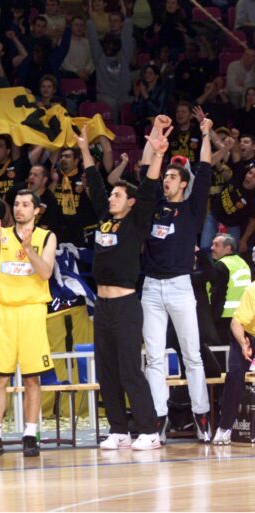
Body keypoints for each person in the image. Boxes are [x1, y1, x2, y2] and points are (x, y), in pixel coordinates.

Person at [76, 121, 166, 451]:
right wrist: (84, 149)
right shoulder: (105, 218)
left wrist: (157, 155)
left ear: (130, 202)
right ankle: (119, 430)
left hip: (127, 305)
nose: (112, 197)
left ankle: (149, 430)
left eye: (118, 195)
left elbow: (150, 189)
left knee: (130, 370)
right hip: (102, 306)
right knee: (107, 372)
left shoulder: (137, 221)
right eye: (112, 194)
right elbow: (95, 182)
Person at [142, 116, 215, 444]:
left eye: (172, 177)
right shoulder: (153, 207)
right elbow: (147, 170)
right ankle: (158, 418)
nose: (166, 181)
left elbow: (205, 170)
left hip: (180, 286)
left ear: (183, 183)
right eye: (166, 177)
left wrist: (206, 135)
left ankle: (202, 415)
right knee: (154, 357)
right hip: (151, 288)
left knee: (192, 355)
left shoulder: (192, 210)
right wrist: (156, 135)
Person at [0, 189, 57, 458]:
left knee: (32, 378)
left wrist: (27, 249)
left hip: (32, 311)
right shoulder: (1, 235)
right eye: (17, 204)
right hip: (4, 311)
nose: (19, 208)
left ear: (37, 210)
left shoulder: (46, 236)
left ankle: (30, 435)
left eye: (25, 204)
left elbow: (45, 273)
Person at [217, 274, 255, 445]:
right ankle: (224, 427)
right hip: (246, 335)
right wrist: (243, 344)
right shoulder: (252, 290)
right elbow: (236, 323)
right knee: (235, 373)